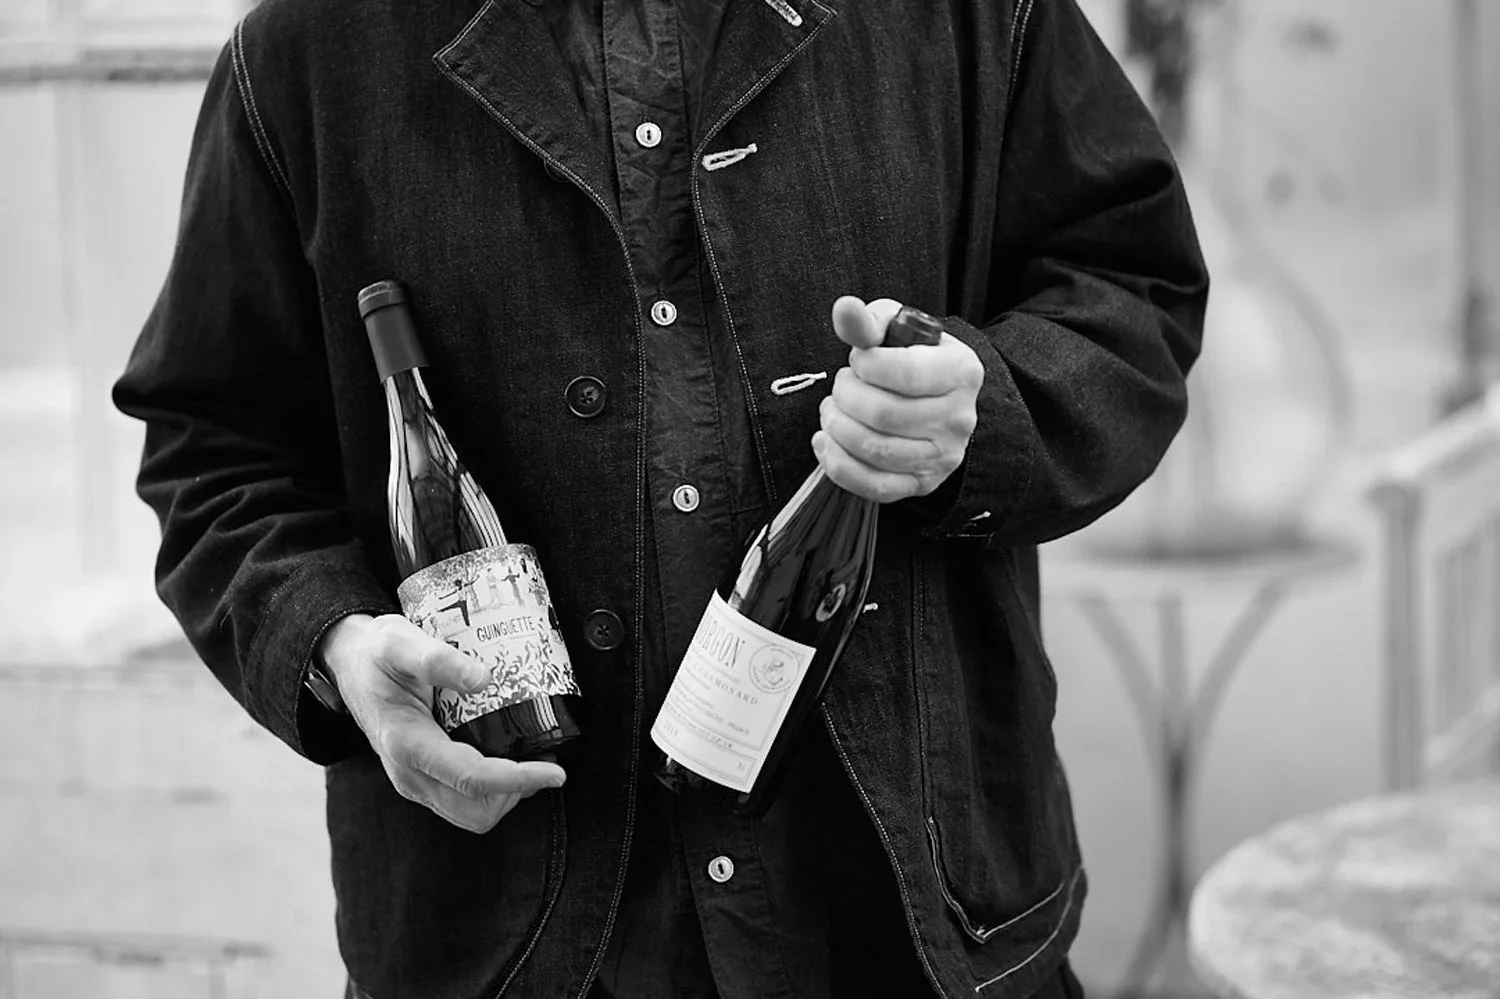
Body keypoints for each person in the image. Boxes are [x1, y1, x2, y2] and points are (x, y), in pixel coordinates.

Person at [112, 0, 1207, 996]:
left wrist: (984, 409)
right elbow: (213, 448)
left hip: (915, 925)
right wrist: (337, 646)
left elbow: (1132, 286)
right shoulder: (303, 51)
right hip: (501, 943)